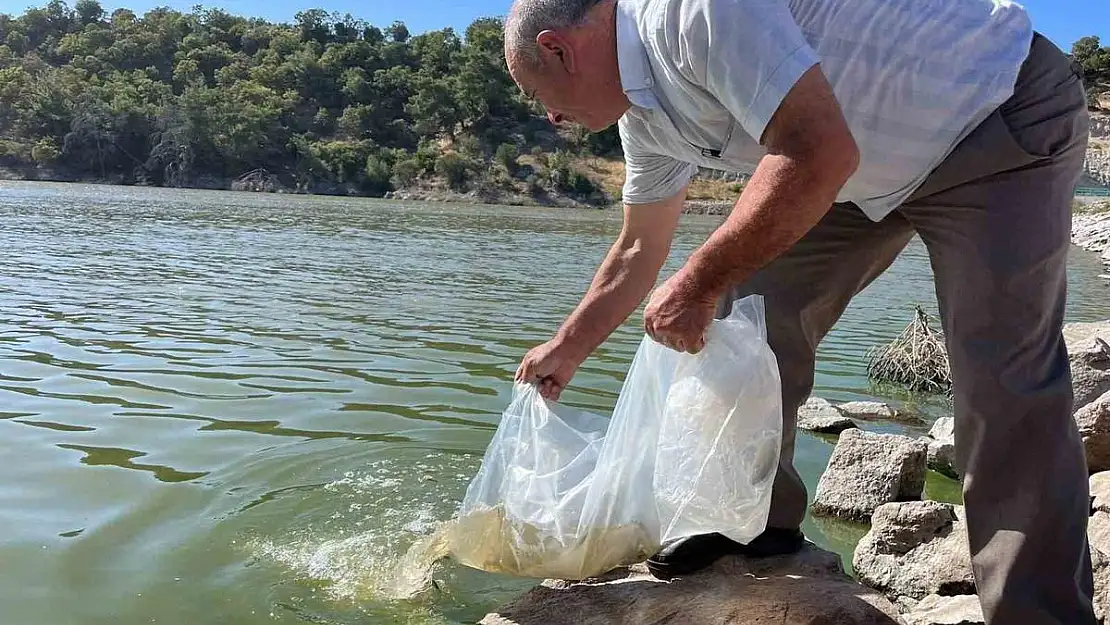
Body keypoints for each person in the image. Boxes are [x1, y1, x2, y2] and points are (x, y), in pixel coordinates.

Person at [504, 0, 1095, 622]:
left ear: (558, 49)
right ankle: (753, 523)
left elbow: (815, 152)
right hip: (854, 160)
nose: (547, 114)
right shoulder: (647, 118)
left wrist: (697, 279)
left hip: (994, 117)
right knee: (747, 312)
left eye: (533, 90)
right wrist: (565, 348)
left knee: (1003, 378)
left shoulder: (692, 15)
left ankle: (1041, 611)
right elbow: (636, 249)